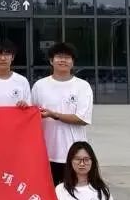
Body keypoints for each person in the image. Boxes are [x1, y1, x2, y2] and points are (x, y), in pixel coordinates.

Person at [32, 42, 94, 186]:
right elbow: (31, 115)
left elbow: (82, 119)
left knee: (73, 193)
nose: (63, 60)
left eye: (67, 58)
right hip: (46, 154)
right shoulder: (40, 86)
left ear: (72, 62)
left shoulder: (82, 86)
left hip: (73, 154)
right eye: (59, 57)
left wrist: (54, 115)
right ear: (51, 61)